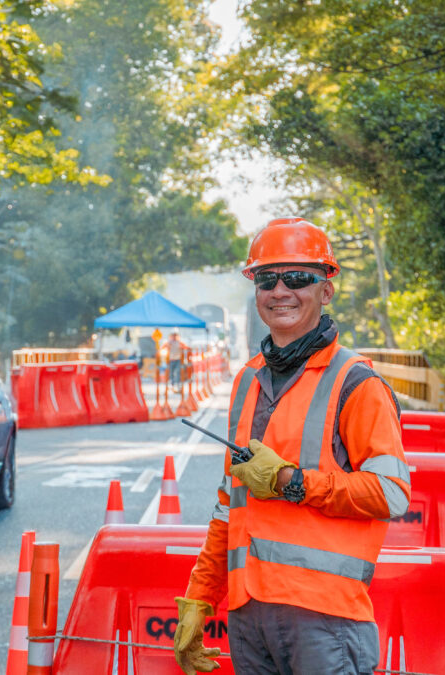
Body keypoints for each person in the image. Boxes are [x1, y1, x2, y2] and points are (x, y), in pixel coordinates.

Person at [173, 217, 410, 674]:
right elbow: (230, 505)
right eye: (267, 279)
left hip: (325, 619)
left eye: (297, 278)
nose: (280, 291)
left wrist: (290, 481)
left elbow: (391, 494)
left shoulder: (356, 383)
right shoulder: (247, 381)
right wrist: (201, 597)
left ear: (326, 290)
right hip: (249, 618)